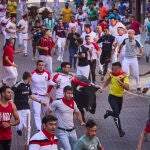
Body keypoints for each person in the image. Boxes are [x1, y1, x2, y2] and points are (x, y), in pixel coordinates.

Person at [12, 72, 46, 147]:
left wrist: (40, 101)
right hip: (17, 108)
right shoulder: (18, 84)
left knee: (28, 126)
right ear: (28, 78)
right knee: (19, 124)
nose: (31, 79)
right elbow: (11, 92)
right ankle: (19, 129)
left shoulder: (28, 85)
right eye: (31, 78)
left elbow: (30, 95)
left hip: (26, 108)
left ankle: (27, 143)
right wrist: (10, 103)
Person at [46, 85, 85, 150]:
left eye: (71, 93)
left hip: (73, 131)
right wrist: (49, 124)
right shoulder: (57, 103)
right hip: (62, 131)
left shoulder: (73, 103)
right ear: (64, 93)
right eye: (68, 93)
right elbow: (47, 112)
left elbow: (78, 112)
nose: (70, 95)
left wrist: (81, 122)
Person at [100, 62, 129, 137]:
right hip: (112, 97)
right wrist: (103, 87)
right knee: (116, 113)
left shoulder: (124, 76)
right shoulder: (112, 74)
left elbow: (127, 88)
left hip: (120, 98)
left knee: (117, 114)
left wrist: (120, 82)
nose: (112, 70)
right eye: (112, 68)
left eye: (114, 69)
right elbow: (108, 80)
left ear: (119, 68)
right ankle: (120, 131)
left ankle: (109, 113)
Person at [30, 60, 57, 131]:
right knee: (36, 113)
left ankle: (46, 126)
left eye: (42, 65)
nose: (41, 66)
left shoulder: (47, 73)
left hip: (45, 97)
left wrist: (55, 84)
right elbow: (26, 82)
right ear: (37, 65)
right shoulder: (32, 74)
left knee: (46, 113)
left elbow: (49, 81)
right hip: (36, 97)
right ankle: (39, 128)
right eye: (39, 65)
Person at [0, 85, 20, 150]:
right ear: (3, 94)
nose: (11, 94)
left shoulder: (12, 105)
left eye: (11, 92)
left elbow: (18, 120)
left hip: (7, 136)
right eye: (8, 92)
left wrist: (9, 124)